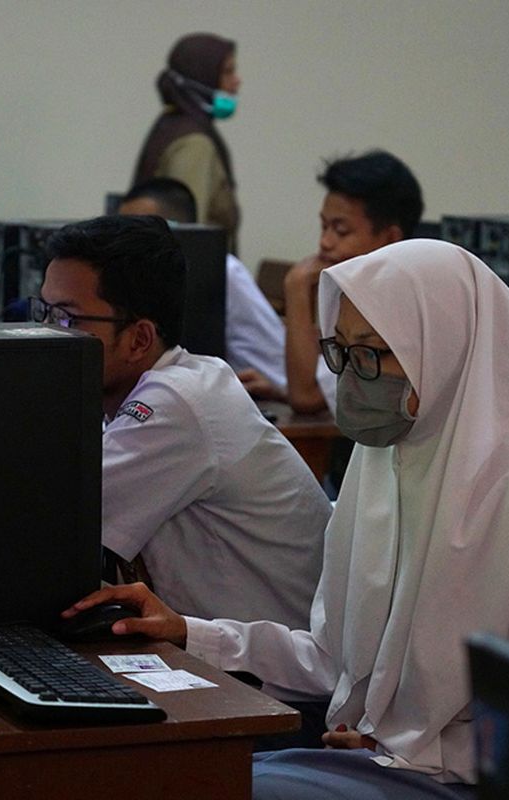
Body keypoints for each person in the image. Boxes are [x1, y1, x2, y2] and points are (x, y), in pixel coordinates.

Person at [64, 239, 509, 798]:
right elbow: (331, 662)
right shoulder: (383, 475)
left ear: (446, 351)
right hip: (370, 760)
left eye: (372, 354)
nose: (350, 379)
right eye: (341, 353)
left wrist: (423, 752)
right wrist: (189, 632)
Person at [35, 215, 330, 631]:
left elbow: (45, 526)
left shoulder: (178, 402)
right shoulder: (151, 391)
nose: (44, 334)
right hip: (215, 654)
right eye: (42, 311)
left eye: (66, 319)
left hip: (273, 679)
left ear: (139, 339)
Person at [278, 150, 423, 414]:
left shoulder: (402, 310)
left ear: (391, 239)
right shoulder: (355, 296)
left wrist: (296, 286)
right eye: (324, 227)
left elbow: (305, 397)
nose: (325, 242)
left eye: (341, 230)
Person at [118, 177, 286, 395]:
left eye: (137, 233)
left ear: (180, 230)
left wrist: (282, 391)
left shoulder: (224, 270)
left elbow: (277, 366)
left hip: (235, 395)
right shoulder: (130, 274)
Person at [133, 33, 241, 251]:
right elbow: (188, 237)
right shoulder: (194, 143)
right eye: (228, 71)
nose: (237, 81)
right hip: (195, 280)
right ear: (203, 77)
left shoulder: (170, 125)